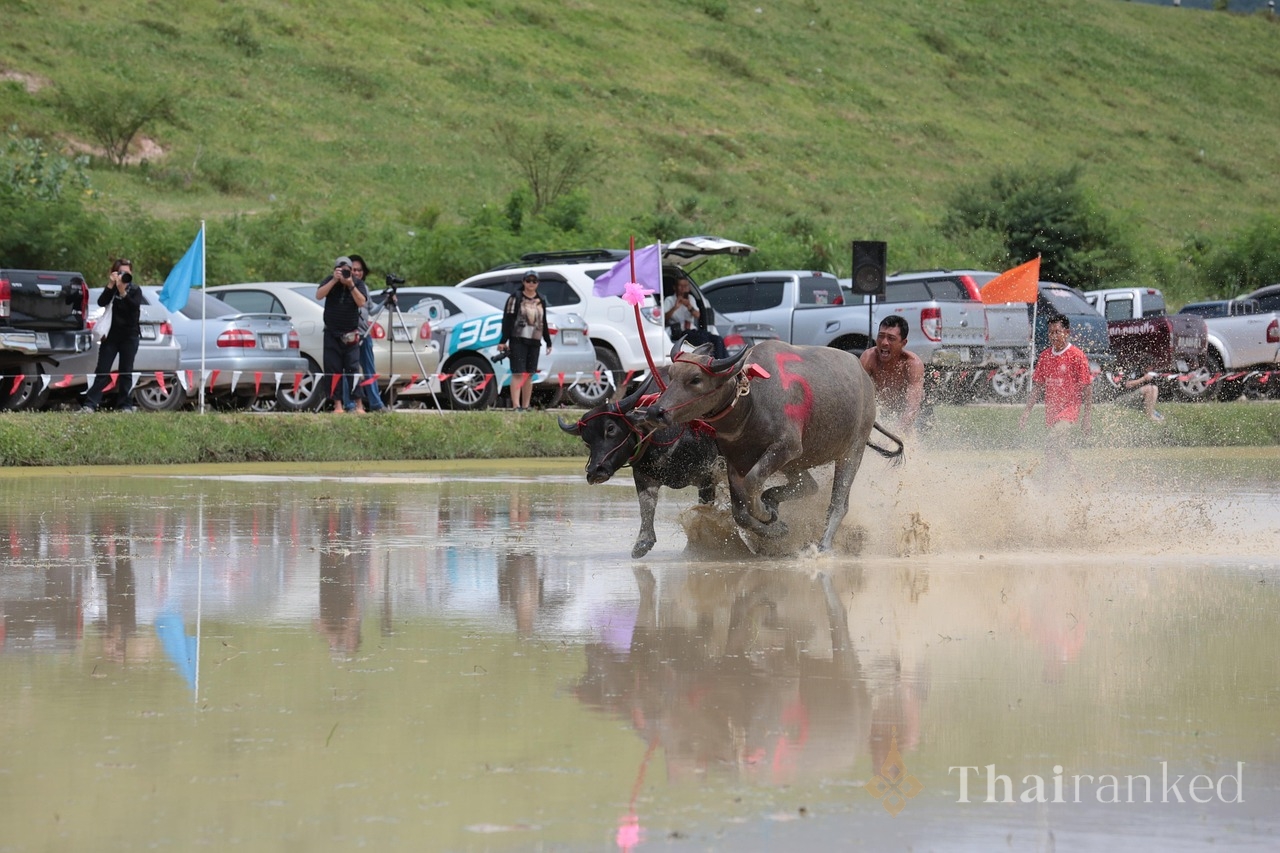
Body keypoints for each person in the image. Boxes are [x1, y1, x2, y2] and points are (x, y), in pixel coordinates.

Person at [1019, 314, 1093, 465]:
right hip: (1052, 410)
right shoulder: (1045, 356)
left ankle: (1048, 484)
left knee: (1051, 442)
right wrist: (1026, 412)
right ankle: (1076, 481)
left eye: (1057, 332)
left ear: (1067, 332)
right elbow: (1037, 387)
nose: (1053, 336)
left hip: (1069, 410)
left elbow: (1087, 386)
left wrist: (1087, 417)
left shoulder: (1077, 356)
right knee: (1058, 450)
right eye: (1050, 332)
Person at [82, 257, 144, 412]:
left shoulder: (135, 290)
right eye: (121, 273)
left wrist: (123, 292)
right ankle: (90, 404)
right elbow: (101, 302)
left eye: (128, 273)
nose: (124, 276)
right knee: (102, 370)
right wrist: (111, 285)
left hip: (130, 336)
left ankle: (125, 405)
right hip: (110, 336)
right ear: (114, 273)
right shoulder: (112, 289)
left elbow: (134, 308)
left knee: (126, 371)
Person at [316, 255, 369, 414]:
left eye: (347, 270)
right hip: (332, 333)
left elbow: (361, 302)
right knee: (333, 370)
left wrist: (350, 284)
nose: (344, 273)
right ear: (335, 269)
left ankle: (359, 405)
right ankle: (337, 405)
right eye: (341, 269)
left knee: (353, 370)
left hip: (351, 334)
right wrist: (334, 280)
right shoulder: (329, 280)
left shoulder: (357, 283)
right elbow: (319, 295)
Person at [497, 271, 553, 412]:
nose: (531, 284)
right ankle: (516, 405)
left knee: (529, 374)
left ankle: (526, 405)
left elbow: (543, 321)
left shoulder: (541, 299)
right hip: (518, 339)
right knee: (518, 372)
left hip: (534, 340)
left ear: (538, 283)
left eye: (534, 281)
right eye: (528, 280)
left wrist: (548, 341)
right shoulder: (515, 298)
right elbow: (508, 320)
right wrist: (503, 340)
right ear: (523, 282)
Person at [859, 315, 926, 432]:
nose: (884, 343)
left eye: (891, 338)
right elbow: (858, 394)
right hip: (881, 411)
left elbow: (912, 408)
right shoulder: (869, 357)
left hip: (913, 414)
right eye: (881, 336)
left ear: (903, 343)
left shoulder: (912, 364)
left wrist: (895, 434)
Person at [348, 255, 387, 413]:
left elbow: (371, 309)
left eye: (359, 270)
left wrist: (386, 301)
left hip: (365, 333)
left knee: (369, 369)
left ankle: (376, 403)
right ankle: (350, 404)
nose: (357, 273)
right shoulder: (345, 287)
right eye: (353, 270)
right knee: (351, 371)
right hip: (350, 334)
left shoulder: (364, 287)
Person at [663, 273, 727, 358]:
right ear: (675, 287)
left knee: (717, 339)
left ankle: (722, 362)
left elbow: (697, 315)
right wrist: (675, 307)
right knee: (703, 340)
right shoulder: (669, 300)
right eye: (681, 286)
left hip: (692, 330)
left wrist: (689, 306)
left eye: (685, 286)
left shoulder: (690, 298)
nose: (683, 289)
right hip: (679, 332)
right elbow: (663, 319)